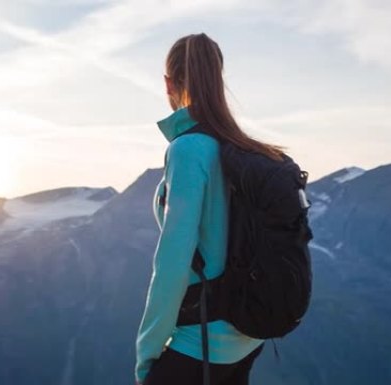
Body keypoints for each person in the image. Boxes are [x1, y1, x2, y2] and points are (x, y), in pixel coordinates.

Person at [134, 33, 286, 385]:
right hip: (247, 334)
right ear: (219, 79)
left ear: (168, 84)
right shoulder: (243, 149)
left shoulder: (188, 150)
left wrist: (147, 357)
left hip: (203, 342)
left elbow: (171, 265)